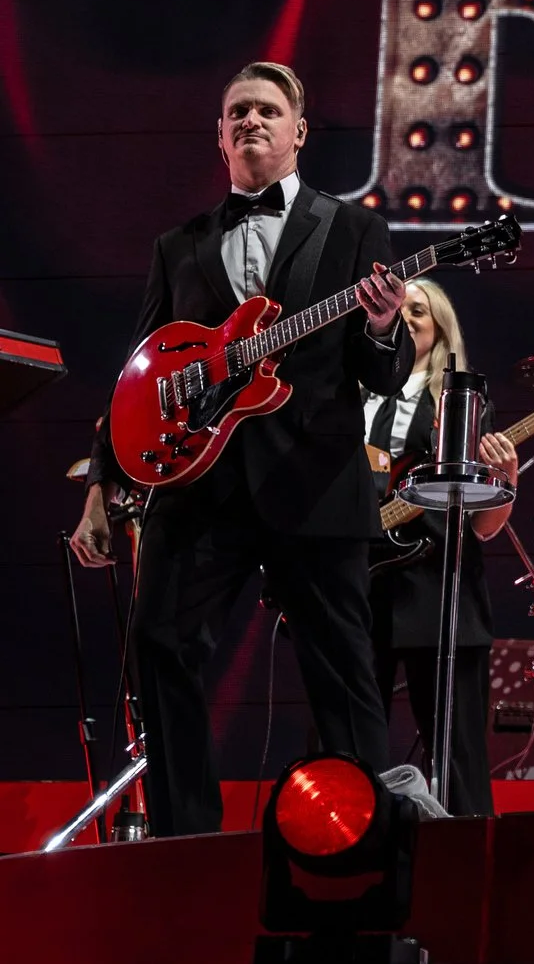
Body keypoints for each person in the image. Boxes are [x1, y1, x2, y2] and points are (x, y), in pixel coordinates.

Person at [70, 62, 411, 835]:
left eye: (267, 110)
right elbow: (136, 374)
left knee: (345, 675)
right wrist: (103, 483)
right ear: (220, 140)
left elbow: (381, 372)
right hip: (200, 488)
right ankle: (185, 836)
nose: (251, 121)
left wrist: (385, 327)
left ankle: (363, 840)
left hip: (314, 479)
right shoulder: (178, 246)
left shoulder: (353, 229)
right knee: (158, 644)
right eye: (237, 113)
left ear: (298, 132)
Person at [363, 277, 519, 817]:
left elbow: (483, 527)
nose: (407, 318)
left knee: (458, 762)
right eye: (398, 310)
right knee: (346, 755)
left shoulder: (464, 409)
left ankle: (468, 871)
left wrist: (506, 477)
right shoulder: (350, 397)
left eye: (420, 312)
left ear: (441, 329)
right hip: (361, 594)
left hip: (440, 592)